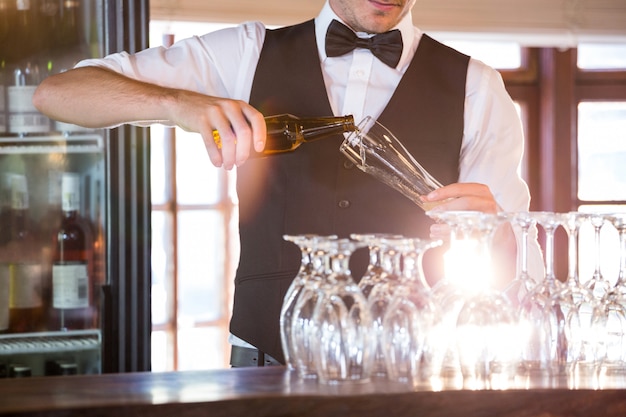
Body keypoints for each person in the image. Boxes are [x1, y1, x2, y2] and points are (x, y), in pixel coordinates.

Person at [33, 0, 544, 367]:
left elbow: (525, 274)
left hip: (415, 368)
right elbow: (59, 94)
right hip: (265, 365)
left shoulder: (476, 85)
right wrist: (179, 106)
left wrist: (496, 234)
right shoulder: (246, 51)